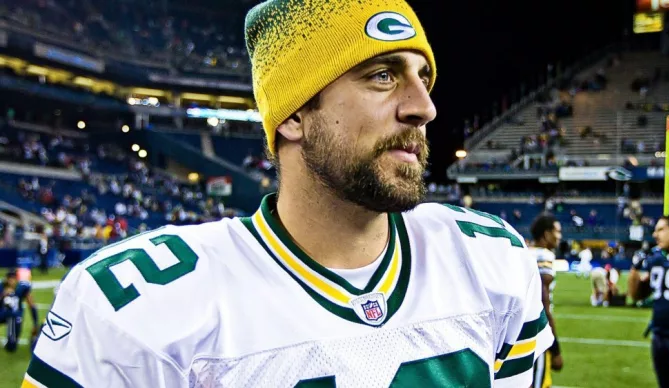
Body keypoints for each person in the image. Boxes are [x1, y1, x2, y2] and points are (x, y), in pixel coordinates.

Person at [24, 1, 553, 386]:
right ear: (295, 114)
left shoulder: (490, 261)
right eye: (382, 75)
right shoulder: (136, 306)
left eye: (423, 79)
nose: (424, 107)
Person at [629, 215, 669, 388]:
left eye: (661, 229)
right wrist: (635, 268)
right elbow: (636, 295)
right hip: (660, 336)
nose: (655, 235)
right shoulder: (658, 260)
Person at [528, 213, 564, 388]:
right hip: (537, 332)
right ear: (546, 234)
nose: (559, 236)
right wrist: (555, 346)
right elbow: (543, 303)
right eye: (557, 231)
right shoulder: (544, 255)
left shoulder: (524, 251)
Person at [0, 269, 39, 352]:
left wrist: (35, 323)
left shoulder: (22, 288)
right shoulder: (1, 286)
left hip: (15, 317)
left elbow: (32, 305)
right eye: (9, 278)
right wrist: (3, 295)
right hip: (2, 313)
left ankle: (11, 340)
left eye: (13, 278)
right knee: (9, 312)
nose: (11, 281)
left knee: (11, 347)